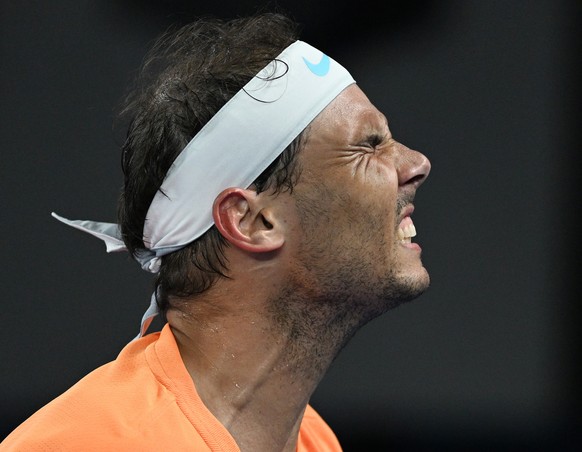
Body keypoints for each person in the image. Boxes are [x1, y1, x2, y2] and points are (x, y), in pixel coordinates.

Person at [1, 12, 431, 452]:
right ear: (253, 220)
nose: (417, 164)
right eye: (369, 145)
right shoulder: (92, 443)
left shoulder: (315, 441)